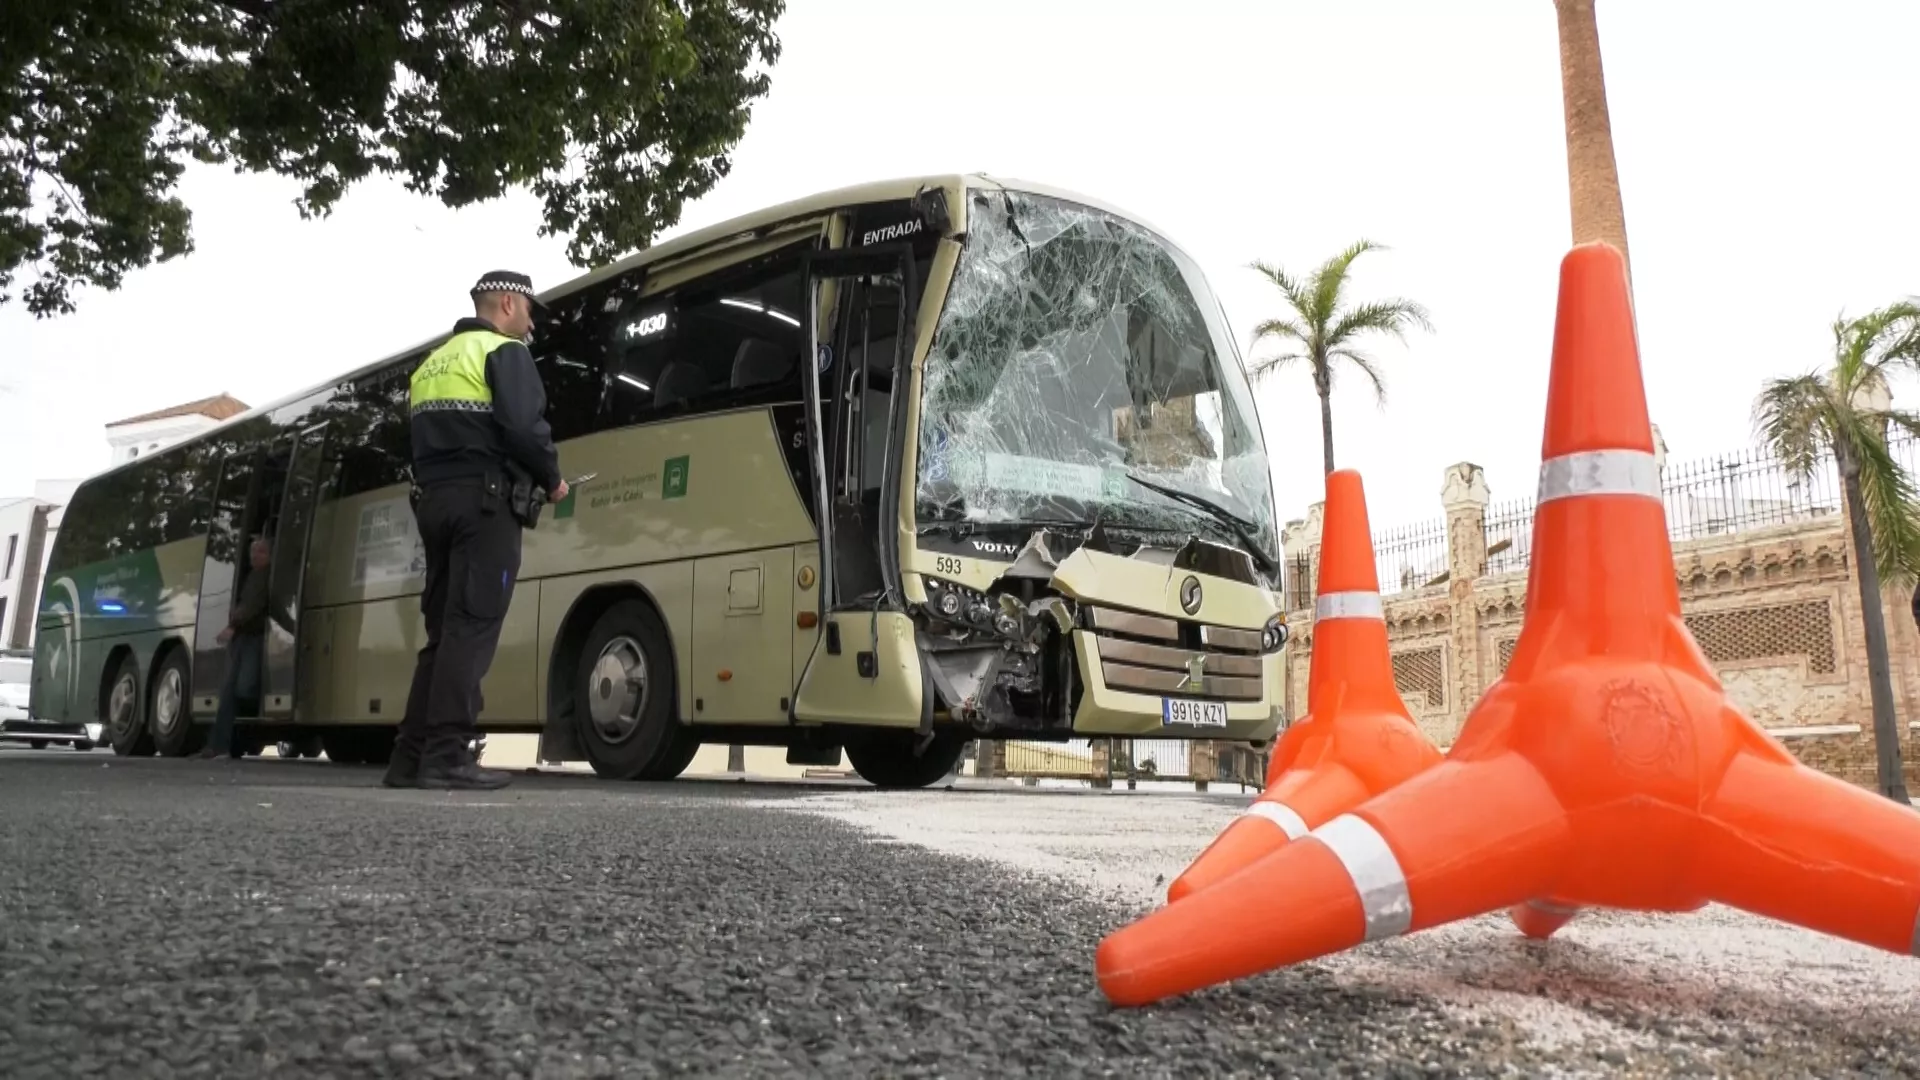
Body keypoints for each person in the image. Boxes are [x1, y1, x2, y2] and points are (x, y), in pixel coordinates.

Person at [385, 270, 568, 791]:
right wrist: (552, 479)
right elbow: (521, 427)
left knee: (443, 632)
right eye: (530, 312)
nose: (531, 325)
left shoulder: (432, 364)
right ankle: (446, 755)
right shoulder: (503, 352)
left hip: (435, 503)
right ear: (508, 304)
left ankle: (410, 757)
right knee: (472, 627)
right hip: (484, 506)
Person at [198, 536, 272, 759]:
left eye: (259, 552)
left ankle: (230, 740)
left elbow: (255, 606)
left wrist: (232, 625)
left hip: (253, 637)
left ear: (269, 555)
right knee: (231, 689)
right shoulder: (254, 577)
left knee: (243, 687)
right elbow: (248, 605)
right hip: (244, 638)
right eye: (252, 552)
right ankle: (219, 745)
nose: (254, 556)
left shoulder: (266, 577)